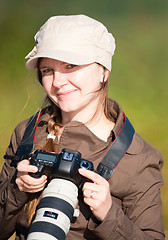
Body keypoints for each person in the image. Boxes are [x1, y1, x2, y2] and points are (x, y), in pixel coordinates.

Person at [0, 14, 165, 240]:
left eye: (71, 65)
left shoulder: (138, 158)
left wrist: (108, 213)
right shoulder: (28, 133)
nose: (57, 82)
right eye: (48, 70)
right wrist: (16, 190)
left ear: (103, 71)